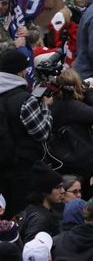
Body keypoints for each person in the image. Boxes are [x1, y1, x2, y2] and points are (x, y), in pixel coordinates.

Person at [0, 50, 52, 216]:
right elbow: (42, 132)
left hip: (3, 166)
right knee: (23, 214)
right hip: (23, 169)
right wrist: (45, 107)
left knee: (5, 213)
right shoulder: (25, 99)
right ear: (20, 71)